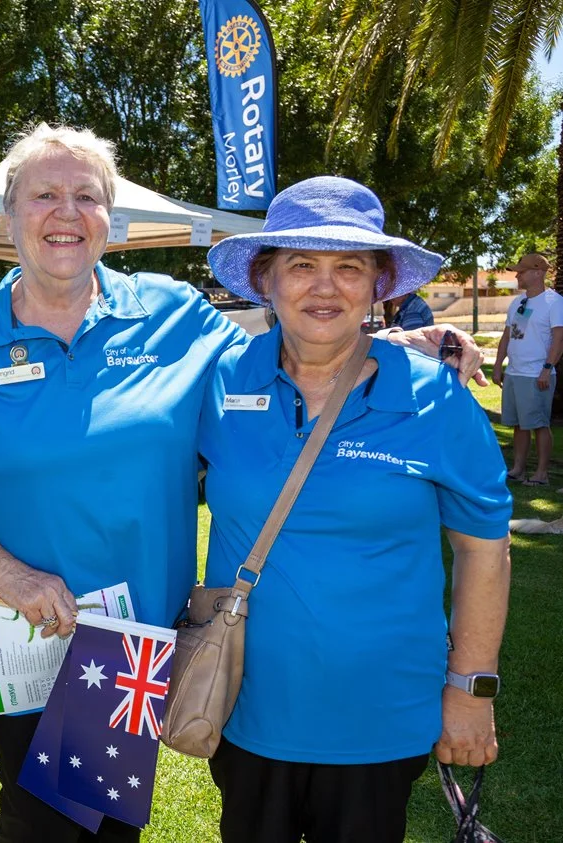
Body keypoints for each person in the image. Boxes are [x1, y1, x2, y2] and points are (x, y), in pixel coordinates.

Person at [0, 126, 483, 843]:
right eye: (43, 195)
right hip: (17, 632)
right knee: (40, 825)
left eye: (85, 195)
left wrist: (401, 344)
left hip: (123, 645)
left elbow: (285, 353)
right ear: (7, 213)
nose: (65, 212)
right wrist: (8, 571)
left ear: (109, 219)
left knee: (95, 827)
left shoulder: (170, 315)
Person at [199, 176, 512, 843]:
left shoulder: (434, 398)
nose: (323, 286)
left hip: (380, 716)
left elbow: (484, 548)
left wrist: (469, 689)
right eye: (301, 265)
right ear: (264, 278)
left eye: (348, 267)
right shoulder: (220, 382)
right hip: (242, 707)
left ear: (377, 285)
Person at [492, 252, 563, 485]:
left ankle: (541, 474)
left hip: (536, 375)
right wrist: (498, 365)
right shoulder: (517, 302)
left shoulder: (554, 302)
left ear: (538, 273)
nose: (517, 275)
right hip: (514, 373)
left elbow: (559, 339)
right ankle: (518, 469)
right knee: (519, 424)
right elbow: (507, 336)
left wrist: (546, 369)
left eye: (521, 271)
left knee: (539, 424)